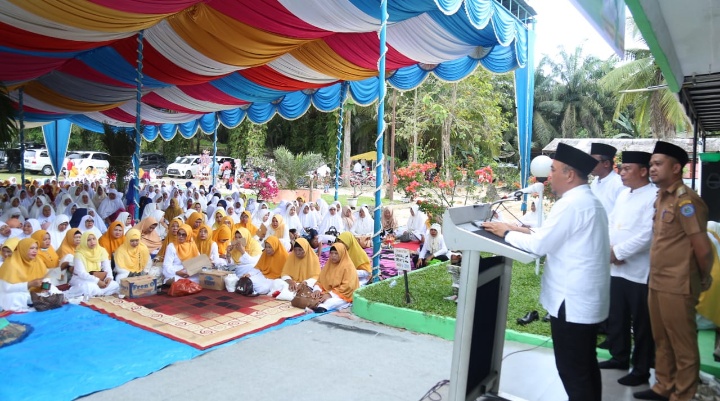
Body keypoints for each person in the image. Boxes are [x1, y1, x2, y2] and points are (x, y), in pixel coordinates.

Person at [482, 142, 609, 401]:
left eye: (554, 170)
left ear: (570, 174)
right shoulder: (585, 200)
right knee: (584, 366)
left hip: (572, 302)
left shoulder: (572, 204)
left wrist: (506, 233)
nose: (549, 177)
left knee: (574, 371)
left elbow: (540, 246)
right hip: (581, 300)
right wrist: (516, 229)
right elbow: (552, 235)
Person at [633, 141, 714, 401]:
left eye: (658, 164)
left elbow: (702, 248)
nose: (652, 168)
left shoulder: (687, 201)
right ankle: (663, 386)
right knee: (662, 338)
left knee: (683, 344)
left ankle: (684, 394)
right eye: (651, 164)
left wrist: (703, 276)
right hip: (657, 281)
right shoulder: (662, 198)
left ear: (676, 167)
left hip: (678, 285)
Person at [598, 151, 655, 387]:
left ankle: (641, 369)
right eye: (621, 168)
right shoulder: (623, 195)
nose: (621, 172)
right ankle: (619, 357)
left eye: (627, 168)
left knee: (642, 323)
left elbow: (648, 235)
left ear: (643, 171)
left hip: (640, 270)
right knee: (617, 316)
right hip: (616, 268)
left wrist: (618, 252)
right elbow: (611, 223)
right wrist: (611, 249)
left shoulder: (654, 196)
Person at [65, 232, 120, 298]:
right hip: (81, 278)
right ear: (84, 241)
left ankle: (97, 293)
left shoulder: (101, 251)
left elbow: (107, 267)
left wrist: (109, 277)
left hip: (98, 278)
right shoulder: (79, 254)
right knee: (89, 287)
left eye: (94, 239)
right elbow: (81, 273)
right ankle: (99, 293)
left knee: (115, 285)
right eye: (88, 240)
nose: (92, 242)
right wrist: (97, 281)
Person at [0, 238, 48, 312]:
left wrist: (45, 287)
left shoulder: (38, 261)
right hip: (17, 293)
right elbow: (7, 288)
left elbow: (46, 278)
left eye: (36, 248)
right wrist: (29, 284)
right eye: (31, 248)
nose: (35, 251)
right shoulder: (10, 263)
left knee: (53, 290)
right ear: (23, 249)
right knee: (16, 297)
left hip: (35, 292)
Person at [310, 243, 360, 313]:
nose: (333, 256)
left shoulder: (348, 266)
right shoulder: (329, 264)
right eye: (331, 253)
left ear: (342, 254)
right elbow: (320, 280)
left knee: (330, 302)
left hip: (343, 294)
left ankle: (324, 307)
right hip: (327, 291)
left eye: (336, 253)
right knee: (314, 294)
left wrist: (330, 294)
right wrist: (317, 290)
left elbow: (347, 287)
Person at [589, 143, 624, 215]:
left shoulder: (619, 184)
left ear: (606, 164)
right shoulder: (595, 182)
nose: (590, 164)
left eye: (593, 161)